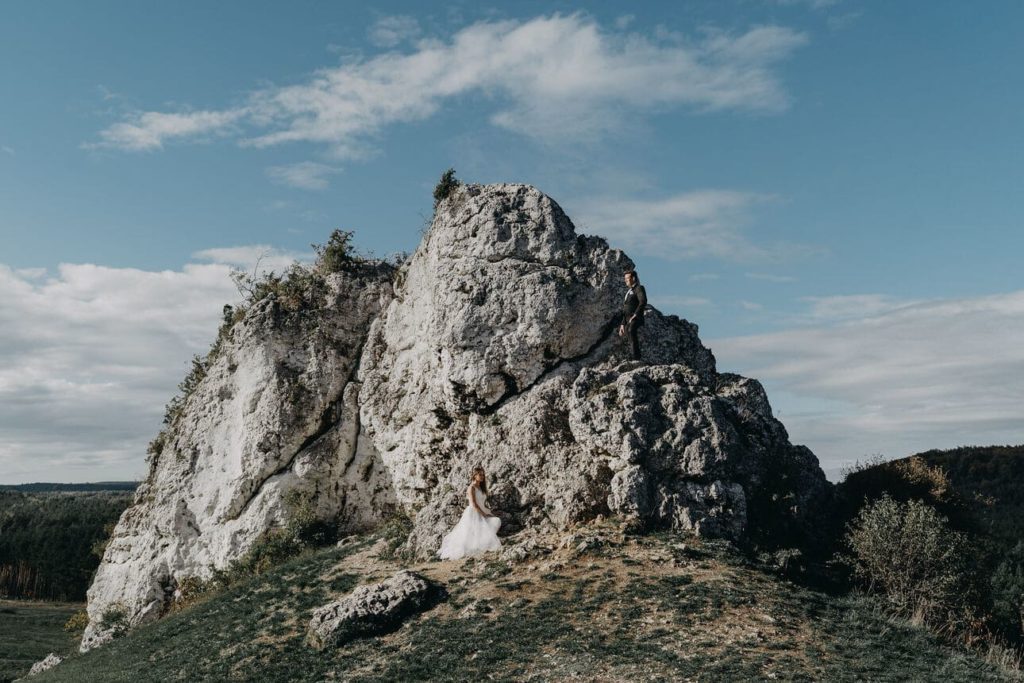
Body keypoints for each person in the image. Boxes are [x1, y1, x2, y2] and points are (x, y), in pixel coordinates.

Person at [438, 466, 502, 560]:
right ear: (474, 475)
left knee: (497, 521)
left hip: (482, 510)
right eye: (479, 475)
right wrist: (484, 515)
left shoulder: (481, 487)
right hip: (474, 512)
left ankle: (483, 541)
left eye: (483, 475)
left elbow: (481, 503)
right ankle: (477, 544)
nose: (482, 476)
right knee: (473, 532)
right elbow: (474, 504)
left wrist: (487, 512)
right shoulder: (471, 487)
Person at [618, 270, 647, 361]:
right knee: (626, 334)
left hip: (635, 318)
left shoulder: (639, 288)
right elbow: (625, 309)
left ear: (633, 278)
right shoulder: (629, 291)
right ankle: (631, 357)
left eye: (627, 278)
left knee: (631, 330)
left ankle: (636, 358)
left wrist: (636, 314)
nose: (625, 280)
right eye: (625, 278)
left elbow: (643, 301)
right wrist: (622, 324)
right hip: (627, 319)